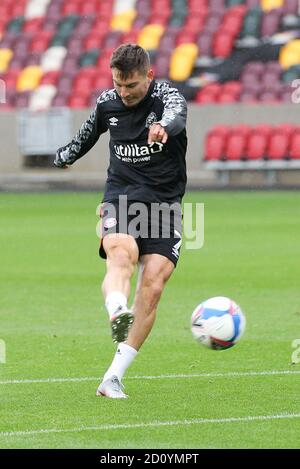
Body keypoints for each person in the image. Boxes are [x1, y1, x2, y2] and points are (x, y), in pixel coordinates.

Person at [54, 44, 188, 398]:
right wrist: (67, 154)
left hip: (164, 204)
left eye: (131, 86)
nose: (124, 93)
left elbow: (178, 115)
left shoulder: (168, 97)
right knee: (120, 252)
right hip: (121, 196)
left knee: (155, 285)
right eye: (118, 85)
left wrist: (162, 127)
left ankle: (112, 376)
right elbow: (88, 133)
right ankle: (117, 310)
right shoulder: (107, 102)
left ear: (149, 76)